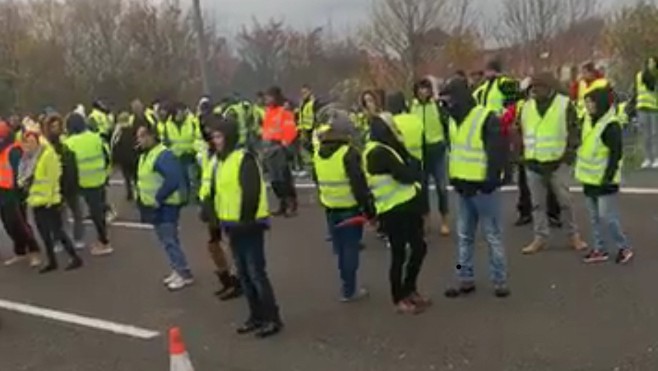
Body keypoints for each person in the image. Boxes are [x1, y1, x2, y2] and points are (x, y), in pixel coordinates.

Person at [212, 116, 283, 338]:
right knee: (243, 273)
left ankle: (272, 318)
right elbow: (222, 194)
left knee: (256, 272)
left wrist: (244, 220)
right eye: (214, 137)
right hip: (232, 225)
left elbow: (250, 193)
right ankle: (256, 315)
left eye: (219, 136)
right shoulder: (221, 161)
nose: (215, 141)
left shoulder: (245, 159)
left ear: (229, 137)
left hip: (249, 225)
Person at [439, 78, 510, 298]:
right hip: (463, 188)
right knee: (465, 238)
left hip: (482, 189)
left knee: (492, 236)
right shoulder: (452, 120)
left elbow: (497, 152)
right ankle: (464, 277)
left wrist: (490, 180)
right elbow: (456, 151)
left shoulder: (485, 117)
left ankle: (499, 280)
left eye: (449, 100)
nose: (446, 105)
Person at [364, 111, 429, 314]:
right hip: (392, 210)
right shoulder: (378, 152)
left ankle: (410, 289)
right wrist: (412, 168)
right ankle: (398, 297)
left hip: (406, 205)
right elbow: (407, 175)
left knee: (419, 248)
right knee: (399, 254)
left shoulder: (389, 148)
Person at [520, 73, 588, 255]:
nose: (534, 91)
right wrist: (521, 156)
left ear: (549, 88)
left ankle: (573, 236)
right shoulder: (526, 107)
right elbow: (520, 132)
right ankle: (539, 237)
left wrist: (567, 157)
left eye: (539, 87)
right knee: (537, 204)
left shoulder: (564, 105)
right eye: (532, 87)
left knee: (565, 202)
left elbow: (574, 132)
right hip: (533, 162)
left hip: (557, 163)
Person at [314, 112, 374, 302]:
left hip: (330, 206)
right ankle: (350, 289)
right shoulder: (349, 153)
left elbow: (316, 178)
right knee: (350, 249)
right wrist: (369, 209)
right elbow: (359, 184)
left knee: (340, 249)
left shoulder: (318, 153)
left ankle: (345, 285)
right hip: (350, 207)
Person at [576, 85, 634, 264]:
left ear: (599, 104)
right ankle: (599, 249)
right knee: (594, 218)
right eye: (586, 103)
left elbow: (616, 154)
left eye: (590, 103)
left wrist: (608, 177)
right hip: (589, 179)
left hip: (605, 181)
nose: (588, 107)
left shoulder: (611, 126)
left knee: (608, 218)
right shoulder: (588, 120)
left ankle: (623, 247)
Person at [136, 124, 192, 291]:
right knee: (166, 240)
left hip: (166, 206)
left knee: (169, 240)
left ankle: (183, 273)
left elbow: (173, 179)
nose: (139, 140)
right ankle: (178, 268)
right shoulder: (147, 155)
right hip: (155, 206)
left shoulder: (162, 155)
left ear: (150, 136)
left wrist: (159, 197)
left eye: (141, 136)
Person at [18, 130, 82, 273]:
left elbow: (54, 178)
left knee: (58, 232)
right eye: (26, 142)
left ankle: (75, 257)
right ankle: (52, 261)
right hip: (36, 201)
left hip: (49, 202)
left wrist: (53, 199)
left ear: (38, 141)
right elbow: (24, 178)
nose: (29, 145)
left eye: (32, 141)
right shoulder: (28, 158)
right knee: (44, 234)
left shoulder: (48, 156)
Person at [198, 114, 242, 300]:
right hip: (210, 203)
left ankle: (238, 280)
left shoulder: (226, 152)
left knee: (233, 245)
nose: (209, 135)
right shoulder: (207, 150)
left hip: (224, 204)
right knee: (214, 245)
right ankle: (226, 279)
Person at [509, 78, 562, 227]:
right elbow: (517, 126)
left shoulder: (553, 107)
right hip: (528, 152)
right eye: (530, 90)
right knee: (524, 185)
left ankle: (553, 214)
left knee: (550, 185)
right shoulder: (523, 106)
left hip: (548, 153)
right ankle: (525, 213)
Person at [65, 113, 113, 255]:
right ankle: (102, 239)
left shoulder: (70, 143)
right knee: (98, 212)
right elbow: (107, 156)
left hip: (81, 182)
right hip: (99, 179)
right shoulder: (96, 137)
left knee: (91, 213)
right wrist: (106, 173)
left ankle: (104, 242)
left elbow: (69, 166)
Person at [410, 79, 451, 235]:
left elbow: (447, 125)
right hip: (421, 152)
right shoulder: (412, 108)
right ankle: (426, 220)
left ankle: (445, 220)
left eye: (426, 88)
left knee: (442, 187)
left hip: (438, 150)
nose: (423, 92)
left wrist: (447, 143)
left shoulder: (437, 106)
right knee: (423, 189)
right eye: (420, 89)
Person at [0, 121, 42, 267]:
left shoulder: (14, 151)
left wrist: (22, 190)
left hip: (15, 193)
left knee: (20, 224)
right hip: (3, 192)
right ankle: (20, 251)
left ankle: (34, 250)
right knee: (8, 225)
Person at [43, 114, 84, 250]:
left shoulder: (66, 142)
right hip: (55, 187)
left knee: (77, 213)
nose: (56, 129)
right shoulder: (46, 146)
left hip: (70, 184)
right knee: (57, 217)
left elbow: (73, 163)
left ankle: (78, 238)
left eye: (58, 126)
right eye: (53, 126)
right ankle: (58, 240)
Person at [261, 86, 298, 217]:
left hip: (279, 147)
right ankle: (281, 203)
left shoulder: (284, 111)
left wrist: (284, 144)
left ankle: (290, 203)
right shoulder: (268, 112)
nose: (266, 99)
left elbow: (291, 129)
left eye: (269, 96)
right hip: (268, 147)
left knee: (283, 177)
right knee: (274, 180)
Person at [157, 102, 202, 204]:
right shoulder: (168, 125)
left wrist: (196, 149)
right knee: (181, 179)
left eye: (182, 111)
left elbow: (198, 137)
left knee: (192, 178)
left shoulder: (192, 122)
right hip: (176, 156)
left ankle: (195, 197)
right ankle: (184, 199)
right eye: (179, 112)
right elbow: (164, 141)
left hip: (190, 155)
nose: (181, 114)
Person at [634, 57, 658, 169]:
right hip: (642, 107)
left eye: (653, 62)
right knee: (645, 135)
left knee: (655, 134)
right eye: (649, 62)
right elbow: (636, 90)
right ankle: (647, 158)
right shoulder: (639, 75)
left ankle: (656, 157)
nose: (651, 64)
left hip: (654, 107)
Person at [111, 112, 140, 201]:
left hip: (123, 158)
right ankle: (138, 192)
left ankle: (129, 193)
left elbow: (114, 145)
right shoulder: (134, 130)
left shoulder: (118, 132)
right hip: (133, 156)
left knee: (127, 176)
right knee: (135, 176)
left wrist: (114, 159)